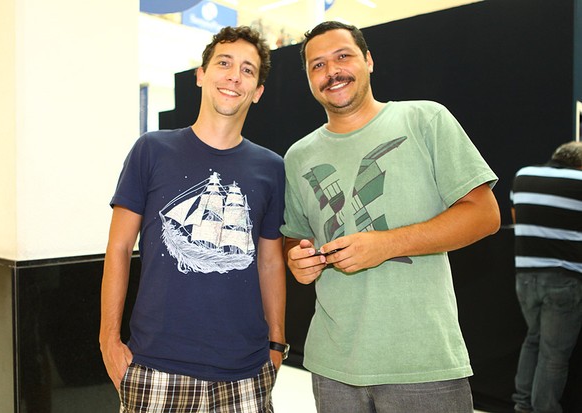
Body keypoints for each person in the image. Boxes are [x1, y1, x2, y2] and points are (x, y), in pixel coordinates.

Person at [281, 21, 501, 412]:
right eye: (317, 65)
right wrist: (295, 259)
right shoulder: (298, 156)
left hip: (422, 364)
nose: (331, 71)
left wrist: (385, 244)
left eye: (343, 56)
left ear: (368, 61)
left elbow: (484, 214)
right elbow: (294, 237)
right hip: (332, 366)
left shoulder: (425, 120)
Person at [100, 26, 288, 413]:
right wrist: (108, 340)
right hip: (156, 366)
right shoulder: (151, 149)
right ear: (201, 75)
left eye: (248, 70)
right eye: (224, 63)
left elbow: (270, 261)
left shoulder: (271, 167)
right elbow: (118, 248)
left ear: (258, 92)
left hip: (246, 371)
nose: (234, 76)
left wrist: (275, 344)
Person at [510, 141, 582, 413]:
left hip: (525, 277)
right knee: (554, 355)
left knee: (533, 340)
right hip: (564, 278)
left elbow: (516, 219)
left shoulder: (523, 176)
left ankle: (522, 405)